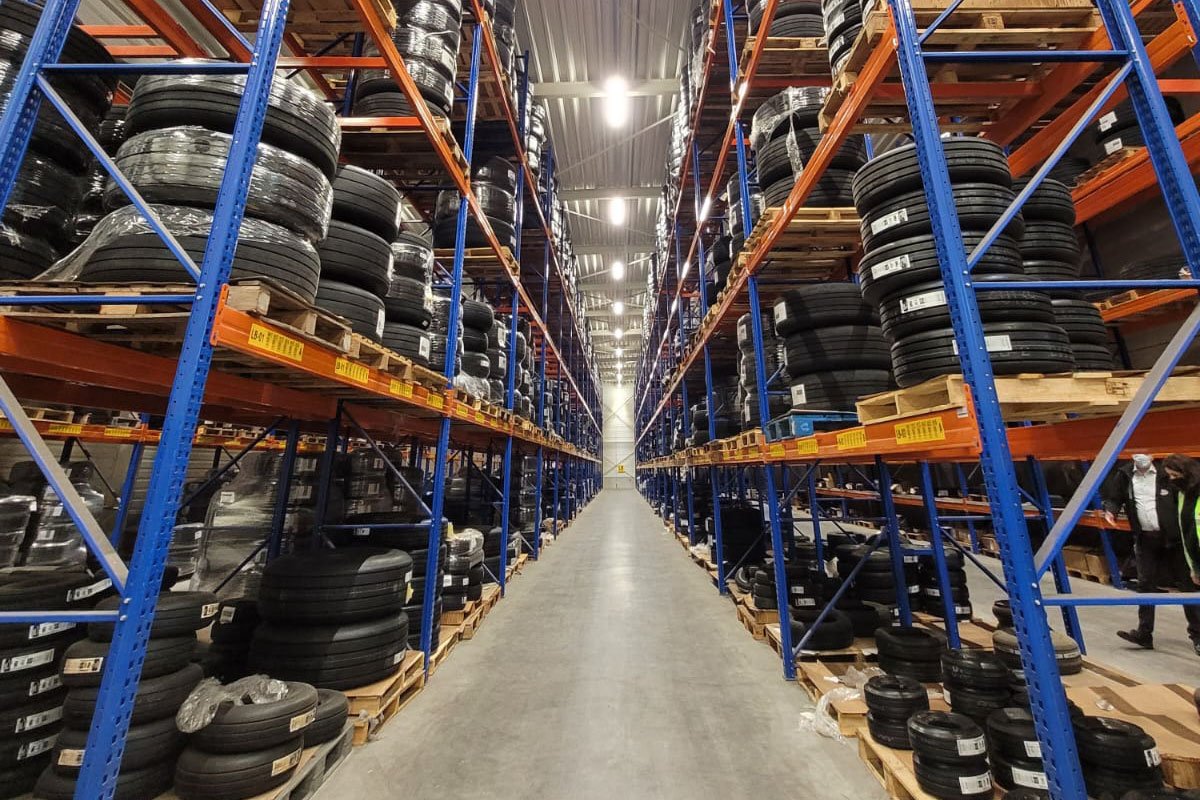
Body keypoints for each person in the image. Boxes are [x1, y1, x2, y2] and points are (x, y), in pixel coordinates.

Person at [1102, 453, 1200, 653]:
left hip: (1174, 539)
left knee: (1187, 586)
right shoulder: (1125, 475)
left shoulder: (1166, 473)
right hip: (1146, 539)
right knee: (1145, 585)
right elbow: (1114, 497)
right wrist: (1110, 510)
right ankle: (1144, 633)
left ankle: (1198, 636)